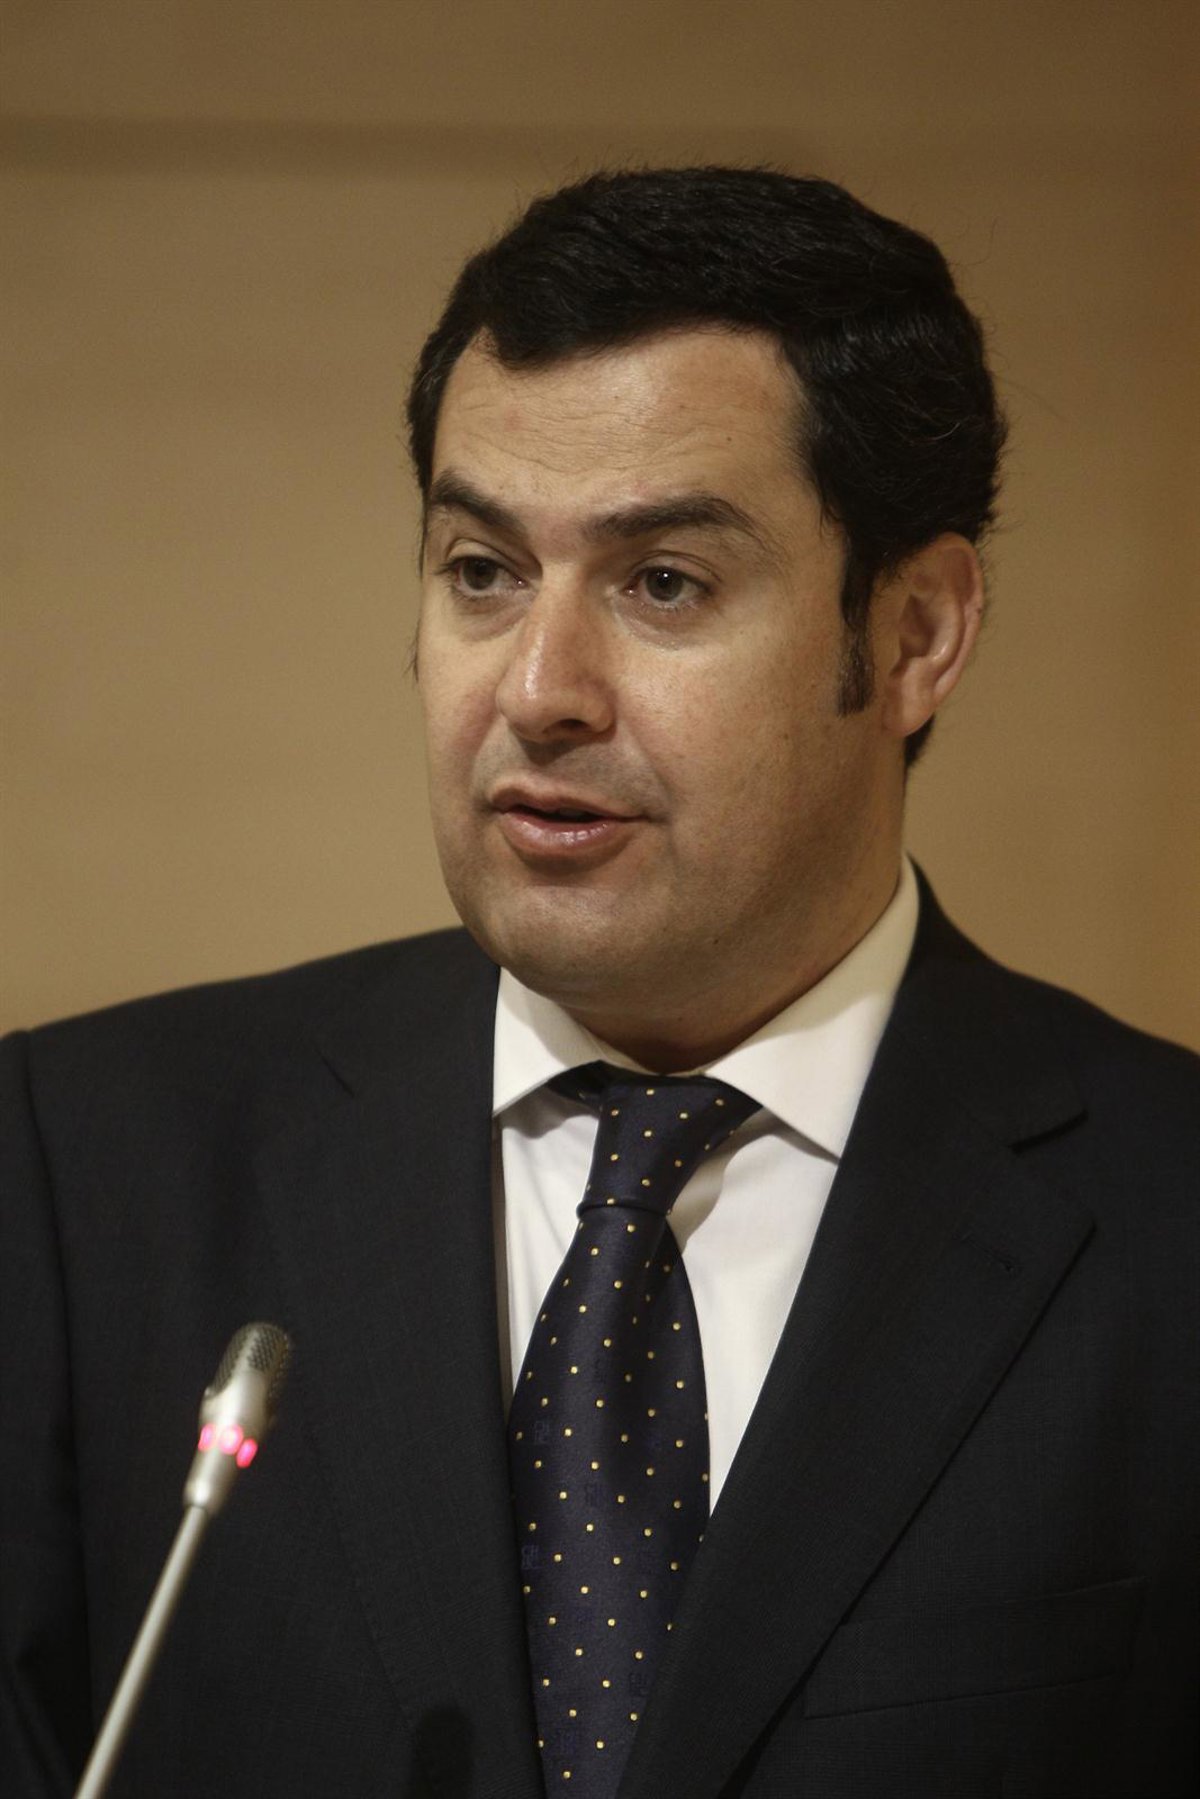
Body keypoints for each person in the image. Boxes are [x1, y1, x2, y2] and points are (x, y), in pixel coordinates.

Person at [1, 167, 1195, 1799]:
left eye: (663, 583)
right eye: (482, 570)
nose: (540, 691)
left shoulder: (1168, 1221)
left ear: (916, 633)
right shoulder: (79, 1171)